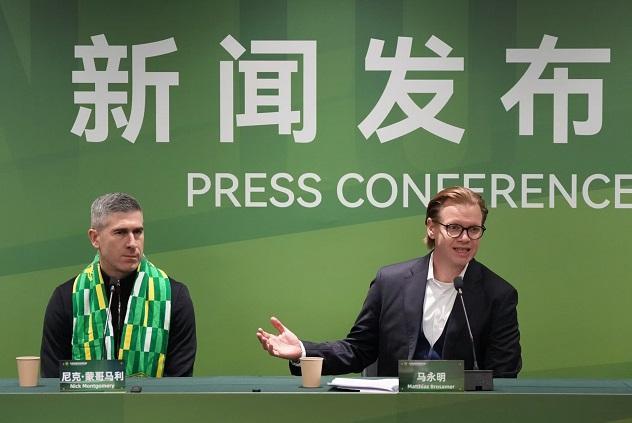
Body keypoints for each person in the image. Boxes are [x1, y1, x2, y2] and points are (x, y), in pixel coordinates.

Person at [256, 186, 521, 377]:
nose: (465, 238)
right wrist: (302, 350)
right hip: (395, 412)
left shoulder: (498, 294)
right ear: (431, 228)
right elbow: (359, 350)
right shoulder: (391, 282)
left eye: (474, 229)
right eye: (454, 227)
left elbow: (504, 374)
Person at [40, 193, 196, 377]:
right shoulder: (67, 298)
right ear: (95, 238)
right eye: (120, 232)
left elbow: (179, 383)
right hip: (85, 398)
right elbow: (54, 380)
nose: (132, 243)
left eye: (138, 232)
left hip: (155, 398)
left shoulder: (174, 297)